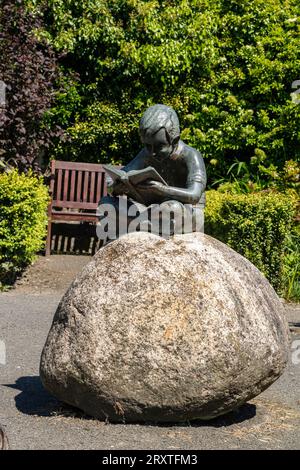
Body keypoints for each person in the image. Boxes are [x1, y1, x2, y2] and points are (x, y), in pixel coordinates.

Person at [98, 104, 206, 241]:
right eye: (147, 146)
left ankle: (137, 226)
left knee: (172, 208)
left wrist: (162, 190)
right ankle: (149, 226)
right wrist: (115, 187)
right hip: (151, 211)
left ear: (175, 140)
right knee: (106, 204)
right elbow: (123, 175)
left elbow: (194, 195)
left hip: (184, 212)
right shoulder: (146, 154)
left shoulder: (191, 156)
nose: (152, 152)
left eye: (160, 146)